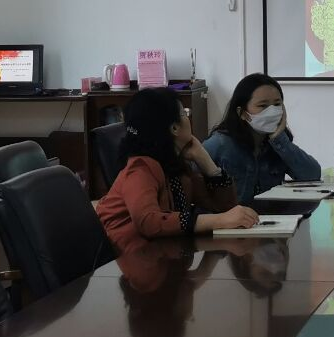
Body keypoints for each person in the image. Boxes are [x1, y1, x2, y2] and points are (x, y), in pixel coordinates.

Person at [95, 87, 258, 246]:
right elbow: (149, 222)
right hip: (131, 255)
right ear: (174, 128)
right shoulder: (140, 169)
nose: (188, 118)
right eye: (184, 113)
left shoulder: (175, 165)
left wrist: (207, 164)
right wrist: (219, 220)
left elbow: (224, 208)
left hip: (165, 252)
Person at [203, 72, 322, 203]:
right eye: (263, 106)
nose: (272, 111)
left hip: (272, 216)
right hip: (233, 216)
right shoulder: (219, 144)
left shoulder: (278, 145)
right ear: (242, 113)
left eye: (277, 104)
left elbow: (312, 175)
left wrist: (279, 140)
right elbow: (194, 194)